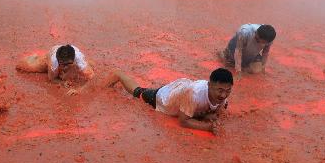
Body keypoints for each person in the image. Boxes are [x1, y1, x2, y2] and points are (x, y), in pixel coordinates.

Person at [105, 67, 233, 134]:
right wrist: (209, 127)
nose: (223, 95)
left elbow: (217, 112)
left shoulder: (223, 95)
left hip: (181, 89)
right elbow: (183, 122)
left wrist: (213, 117)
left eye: (227, 90)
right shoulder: (193, 94)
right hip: (163, 98)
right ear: (209, 85)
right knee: (138, 92)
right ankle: (118, 74)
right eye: (220, 90)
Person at [16, 44, 94, 93]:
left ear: (74, 60)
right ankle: (37, 57)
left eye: (67, 64)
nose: (64, 67)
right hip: (52, 52)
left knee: (86, 68)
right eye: (62, 64)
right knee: (23, 67)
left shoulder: (79, 60)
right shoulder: (54, 62)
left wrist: (79, 90)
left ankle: (82, 65)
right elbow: (52, 79)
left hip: (69, 55)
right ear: (58, 61)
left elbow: (91, 77)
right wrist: (62, 83)